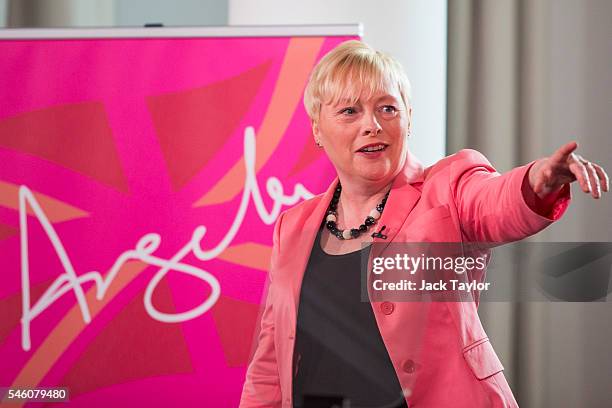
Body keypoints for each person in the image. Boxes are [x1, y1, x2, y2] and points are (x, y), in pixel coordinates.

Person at [239, 40, 609, 408]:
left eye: (387, 108)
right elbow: (271, 360)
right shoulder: (293, 226)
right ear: (318, 129)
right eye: (350, 111)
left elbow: (493, 202)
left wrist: (536, 183)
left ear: (408, 118)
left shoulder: (447, 186)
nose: (372, 125)